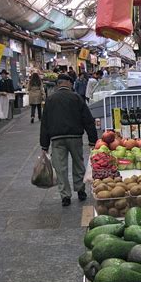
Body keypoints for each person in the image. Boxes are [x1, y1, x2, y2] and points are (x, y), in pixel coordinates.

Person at [40, 74, 98, 207]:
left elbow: (45, 123)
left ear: (58, 84)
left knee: (60, 168)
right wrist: (92, 139)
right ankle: (81, 191)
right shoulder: (76, 97)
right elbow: (88, 120)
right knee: (78, 164)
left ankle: (65, 196)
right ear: (68, 83)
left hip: (57, 139)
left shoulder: (50, 99)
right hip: (75, 137)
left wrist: (44, 144)